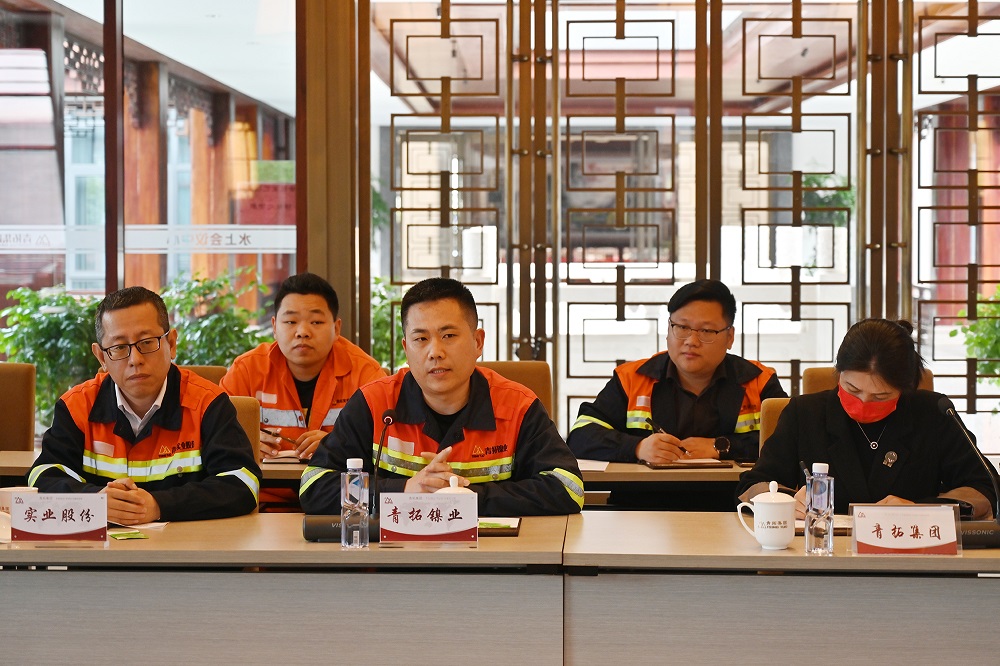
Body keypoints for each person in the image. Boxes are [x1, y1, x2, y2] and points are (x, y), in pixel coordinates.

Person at [299, 277, 584, 516]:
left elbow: (568, 487)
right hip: (395, 559)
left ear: (478, 342)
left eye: (448, 336)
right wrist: (405, 491)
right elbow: (314, 486)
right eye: (421, 339)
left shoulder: (517, 406)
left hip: (492, 559)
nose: (435, 352)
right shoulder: (374, 404)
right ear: (406, 348)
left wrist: (466, 498)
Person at [28, 286, 261, 524]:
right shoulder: (77, 406)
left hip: (186, 546)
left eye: (147, 342)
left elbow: (243, 483)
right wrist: (96, 501)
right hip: (103, 547)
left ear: (172, 343)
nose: (135, 360)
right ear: (101, 357)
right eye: (119, 347)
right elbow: (42, 476)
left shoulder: (207, 403)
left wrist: (160, 505)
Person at [736, 318, 996, 519]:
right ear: (839, 373)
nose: (864, 403)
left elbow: (984, 489)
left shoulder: (933, 413)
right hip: (824, 553)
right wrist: (783, 502)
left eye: (881, 396)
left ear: (905, 387)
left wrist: (922, 510)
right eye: (853, 389)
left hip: (912, 553)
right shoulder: (804, 413)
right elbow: (752, 486)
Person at [568, 279, 787, 465]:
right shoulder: (633, 378)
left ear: (730, 337)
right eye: (682, 327)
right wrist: (637, 447)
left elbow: (791, 441)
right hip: (643, 498)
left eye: (706, 330)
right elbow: (580, 436)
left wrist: (720, 446)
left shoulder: (758, 381)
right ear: (668, 330)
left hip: (732, 498)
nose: (691, 341)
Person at [221, 272, 386, 462]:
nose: (302, 332)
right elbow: (216, 434)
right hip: (265, 481)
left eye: (316, 322)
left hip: (335, 479)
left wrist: (339, 445)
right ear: (274, 327)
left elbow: (385, 444)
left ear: (336, 329)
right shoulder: (247, 370)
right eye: (291, 322)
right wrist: (243, 445)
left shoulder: (365, 373)